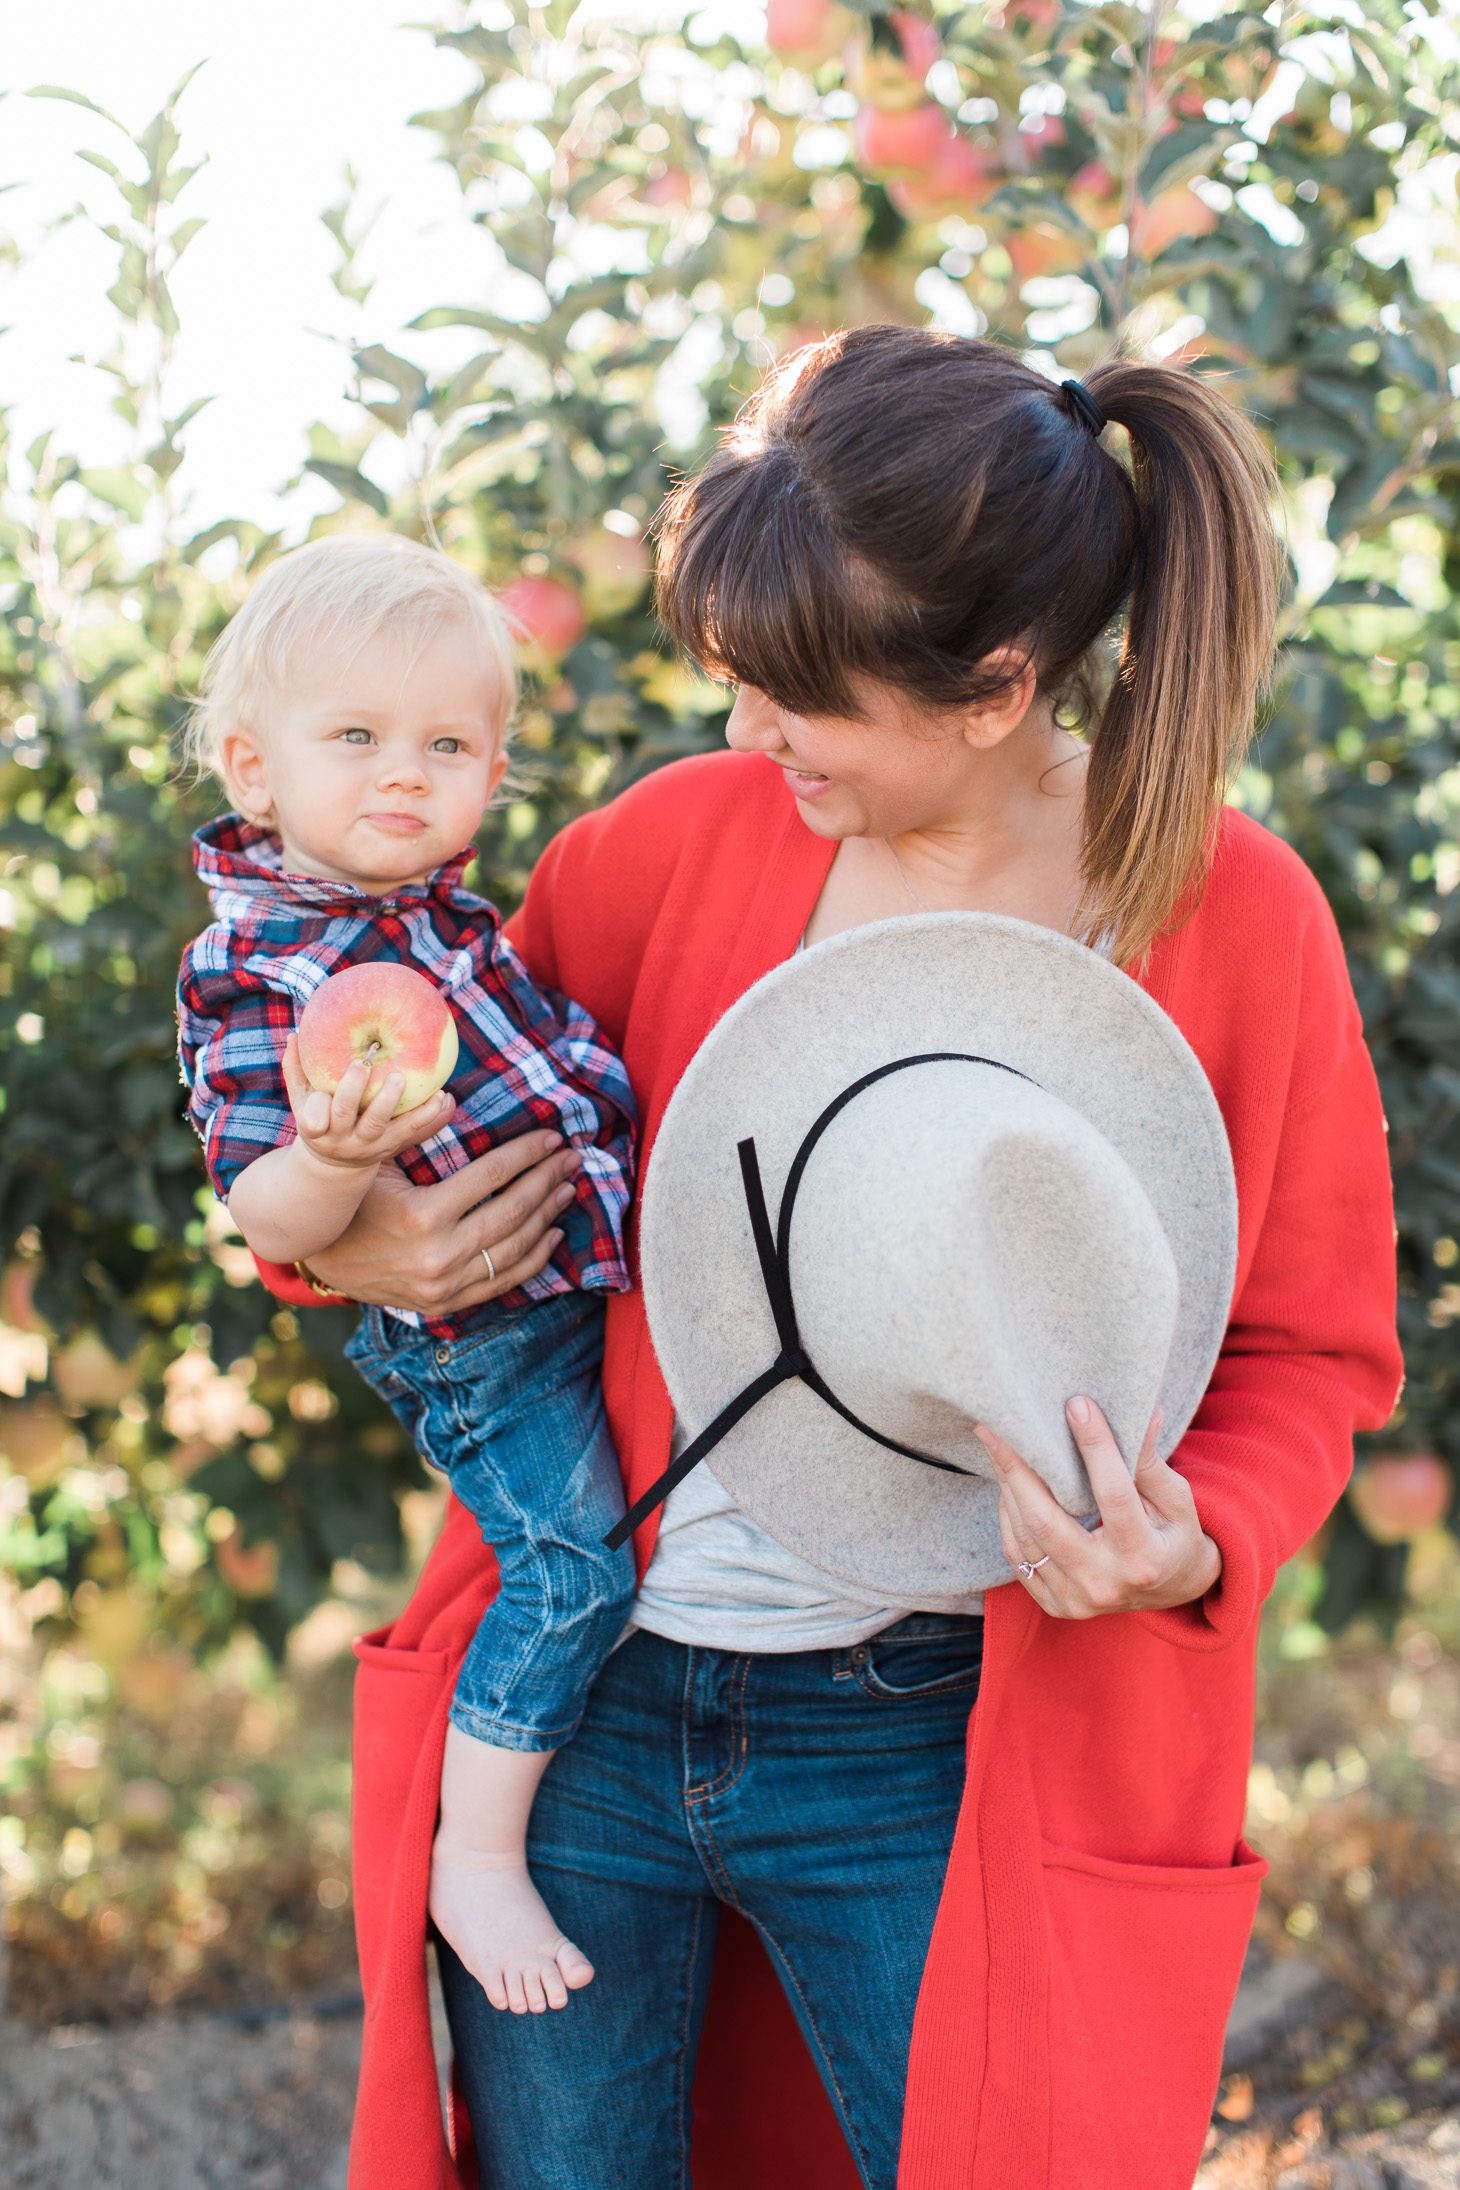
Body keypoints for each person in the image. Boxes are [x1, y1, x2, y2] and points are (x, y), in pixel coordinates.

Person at [255, 331, 1404, 2190]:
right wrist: (373, 1235)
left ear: (996, 688)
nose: (745, 735)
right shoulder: (670, 854)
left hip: (942, 1731)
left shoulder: (1226, 913)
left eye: (802, 700)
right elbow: (401, 1097)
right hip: (583, 1713)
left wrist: (1195, 1538)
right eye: (737, 683)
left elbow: (1314, 1349)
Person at [176, 533, 640, 2019]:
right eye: (358, 737)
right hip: (481, 1343)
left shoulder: (438, 915)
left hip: (556, 1304)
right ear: (255, 769)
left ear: (494, 776)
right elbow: (265, 1198)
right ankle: (478, 1849)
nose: (404, 772)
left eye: (449, 744)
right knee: (575, 1568)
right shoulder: (262, 961)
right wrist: (332, 1154)